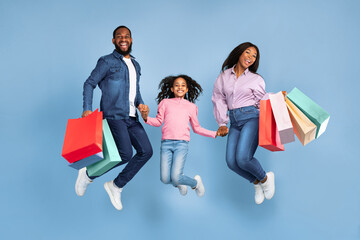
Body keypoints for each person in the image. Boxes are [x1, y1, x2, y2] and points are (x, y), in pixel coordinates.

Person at [75, 25, 153, 211]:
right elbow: (89, 83)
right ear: (113, 40)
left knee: (146, 151)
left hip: (132, 117)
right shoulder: (107, 61)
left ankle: (116, 185)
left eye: (126, 36)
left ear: (131, 39)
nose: (123, 39)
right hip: (114, 115)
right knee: (124, 154)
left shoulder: (136, 65)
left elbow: (135, 91)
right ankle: (87, 173)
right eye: (119, 36)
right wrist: (87, 108)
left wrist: (142, 106)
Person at [212, 42, 275, 205]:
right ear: (239, 53)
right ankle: (256, 183)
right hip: (234, 121)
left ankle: (266, 178)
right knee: (231, 163)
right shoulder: (223, 76)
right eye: (248, 53)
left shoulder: (256, 79)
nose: (251, 58)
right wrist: (222, 123)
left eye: (254, 56)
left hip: (251, 118)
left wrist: (277, 97)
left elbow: (262, 99)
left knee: (243, 158)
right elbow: (219, 99)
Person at [142, 75, 220, 197]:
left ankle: (195, 183)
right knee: (165, 179)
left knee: (176, 176)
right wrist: (146, 118)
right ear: (172, 89)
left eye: (183, 85)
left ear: (187, 89)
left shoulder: (191, 107)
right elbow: (158, 122)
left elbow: (197, 128)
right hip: (166, 144)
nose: (180, 87)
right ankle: (180, 184)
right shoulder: (165, 103)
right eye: (177, 85)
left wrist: (215, 133)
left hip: (181, 144)